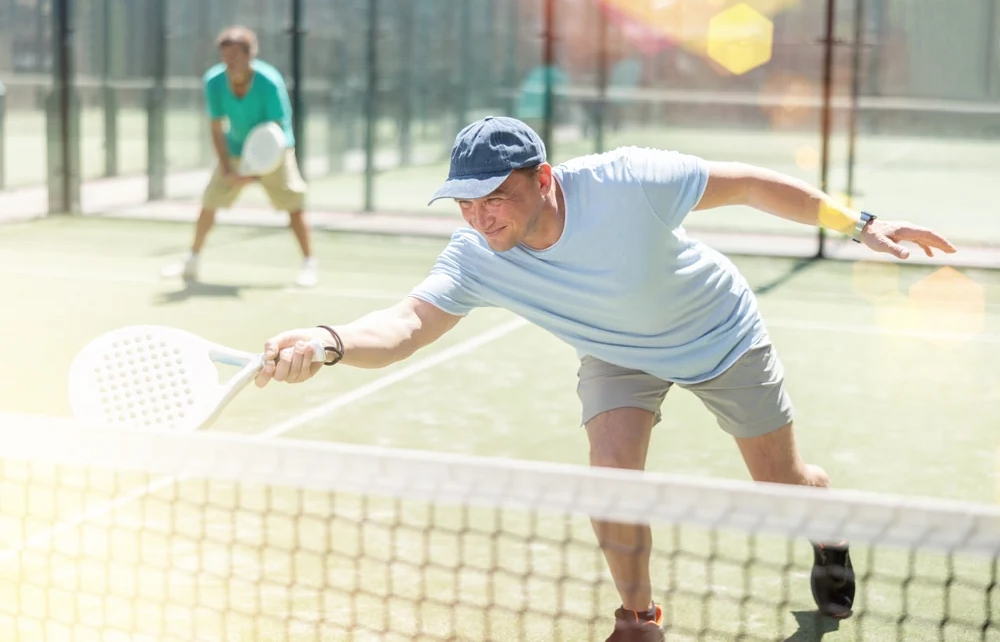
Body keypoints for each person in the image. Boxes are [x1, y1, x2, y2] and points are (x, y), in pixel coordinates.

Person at [253, 116, 956, 640]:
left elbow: (746, 183)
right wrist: (329, 339)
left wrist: (859, 222)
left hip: (717, 332)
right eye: (464, 202)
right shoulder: (475, 251)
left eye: (492, 196)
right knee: (609, 478)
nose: (478, 215)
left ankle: (825, 523)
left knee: (781, 486)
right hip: (619, 353)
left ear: (542, 177)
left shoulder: (625, 181)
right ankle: (639, 616)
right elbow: (407, 324)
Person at [161, 25, 318, 288]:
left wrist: (255, 173)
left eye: (235, 56)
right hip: (235, 150)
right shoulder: (214, 81)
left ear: (250, 54)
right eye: (225, 56)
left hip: (275, 150)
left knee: (294, 206)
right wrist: (226, 168)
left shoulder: (269, 82)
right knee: (209, 202)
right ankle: (191, 259)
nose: (230, 62)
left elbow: (275, 131)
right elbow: (216, 127)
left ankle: (309, 263)